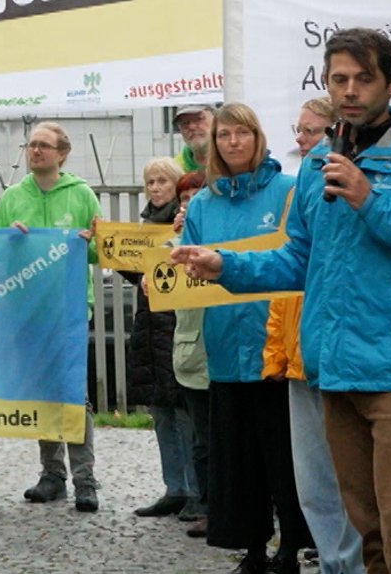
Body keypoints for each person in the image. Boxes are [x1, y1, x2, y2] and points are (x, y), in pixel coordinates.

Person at [175, 28, 391, 574]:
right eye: (338, 78)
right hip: (335, 372)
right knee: (366, 531)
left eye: (364, 78)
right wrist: (226, 265)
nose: (350, 90)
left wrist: (371, 201)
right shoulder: (321, 160)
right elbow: (297, 260)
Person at [177, 103, 310, 574]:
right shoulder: (204, 204)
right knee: (238, 461)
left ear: (258, 137)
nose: (234, 142)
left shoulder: (289, 191)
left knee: (284, 458)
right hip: (224, 348)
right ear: (213, 145)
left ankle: (292, 548)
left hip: (275, 350)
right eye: (225, 135)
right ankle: (252, 549)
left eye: (242, 133)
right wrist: (160, 279)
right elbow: (187, 270)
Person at [270, 96, 363, 574]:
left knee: (350, 478)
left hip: (351, 356)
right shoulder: (306, 181)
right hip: (302, 351)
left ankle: (353, 564)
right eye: (299, 130)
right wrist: (225, 266)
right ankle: (332, 563)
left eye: (314, 132)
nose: (303, 140)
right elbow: (291, 260)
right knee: (314, 482)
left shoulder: (364, 182)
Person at [0, 120, 102, 513]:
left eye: (43, 145)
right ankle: (52, 475)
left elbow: (100, 252)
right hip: (29, 310)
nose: (35, 150)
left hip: (70, 309)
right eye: (31, 144)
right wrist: (9, 237)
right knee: (42, 392)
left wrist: (91, 242)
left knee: (75, 395)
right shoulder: (12, 197)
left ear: (62, 153)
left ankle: (85, 480)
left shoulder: (83, 194)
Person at [128, 157, 195, 520]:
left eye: (162, 182)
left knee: (184, 414)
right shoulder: (145, 227)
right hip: (150, 324)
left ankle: (196, 489)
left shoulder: (186, 221)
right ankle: (175, 487)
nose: (155, 188)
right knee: (161, 414)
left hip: (177, 326)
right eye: (150, 182)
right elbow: (135, 273)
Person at [170, 171, 214, 537]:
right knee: (202, 439)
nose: (189, 204)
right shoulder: (171, 240)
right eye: (184, 198)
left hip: (225, 349)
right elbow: (154, 284)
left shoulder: (223, 235)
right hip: (191, 353)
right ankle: (208, 505)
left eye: (195, 197)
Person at [174, 105, 215, 174]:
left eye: (198, 119)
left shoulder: (233, 161)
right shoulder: (175, 169)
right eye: (185, 122)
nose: (191, 127)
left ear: (215, 120)